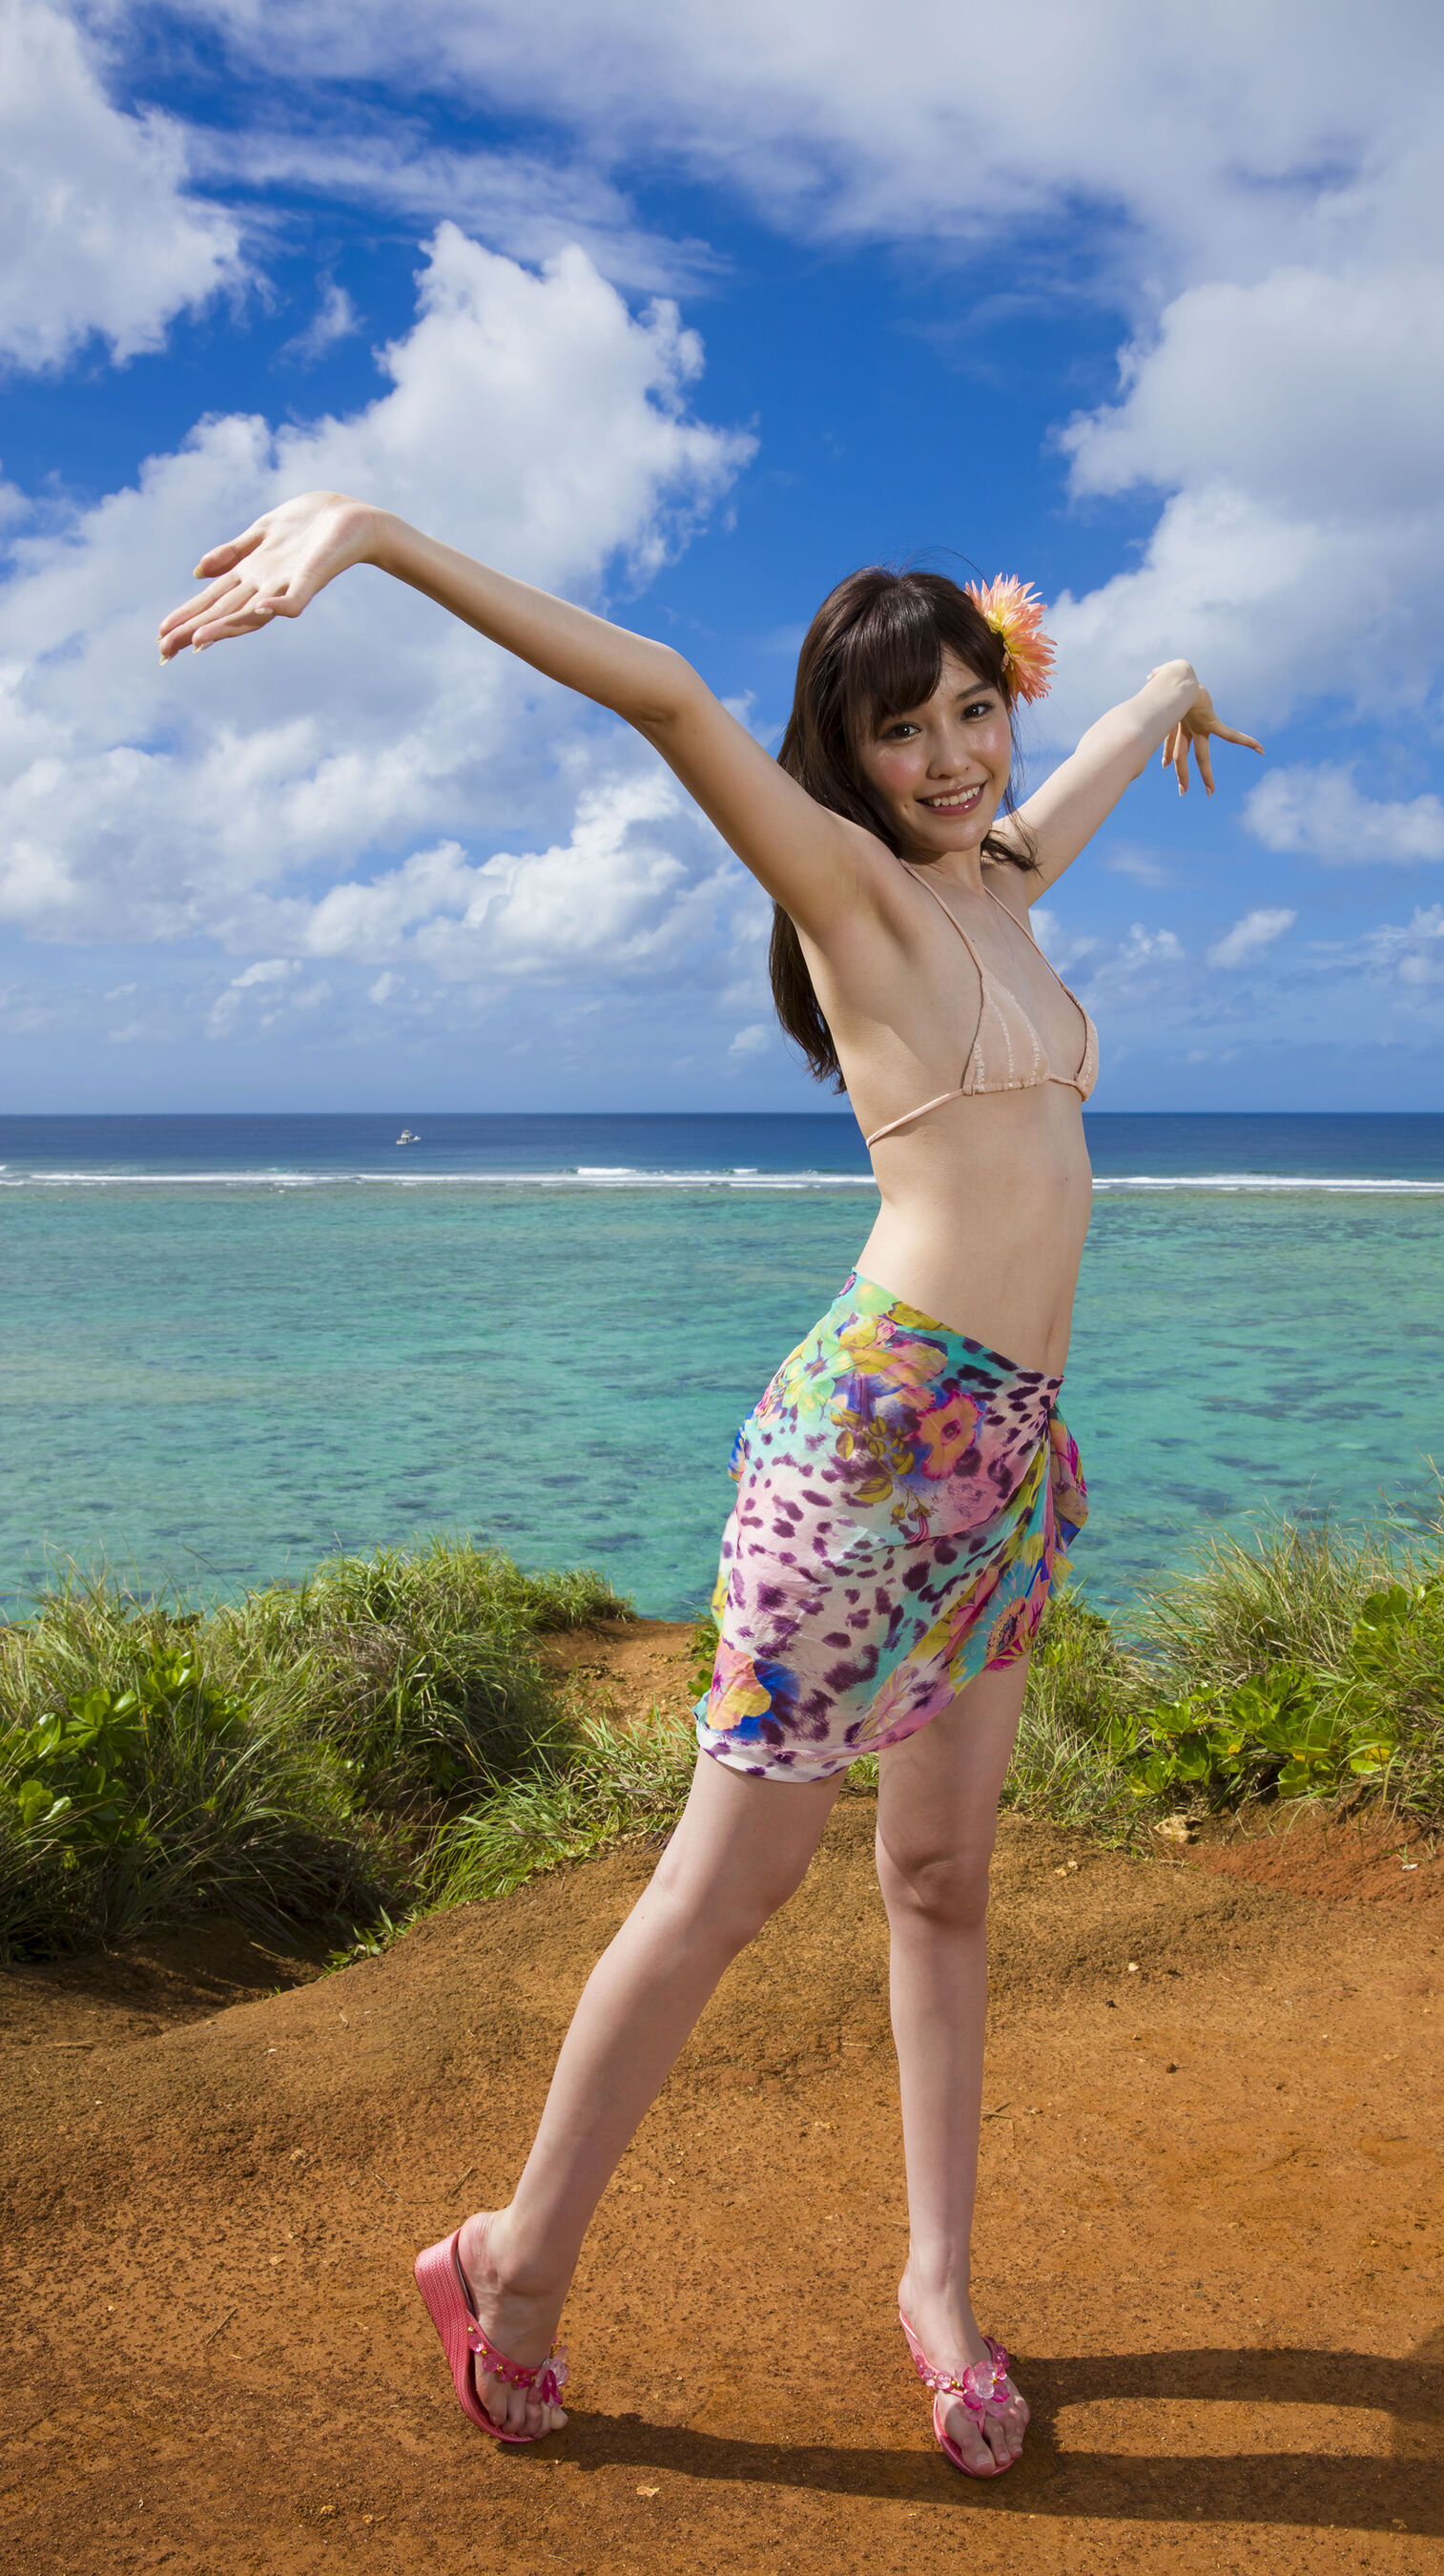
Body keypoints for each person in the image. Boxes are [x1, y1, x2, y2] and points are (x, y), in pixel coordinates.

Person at [158, 501, 1260, 2476]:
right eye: (904, 729)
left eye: (974, 711)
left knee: (944, 1879)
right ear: (848, 756)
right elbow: (664, 693)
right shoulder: (853, 890)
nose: (954, 756)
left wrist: (1171, 688)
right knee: (729, 1885)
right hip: (868, 1452)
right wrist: (380, 540)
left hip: (1010, 1458)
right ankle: (512, 2263)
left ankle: (939, 2285)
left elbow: (1100, 739)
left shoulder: (1009, 877)